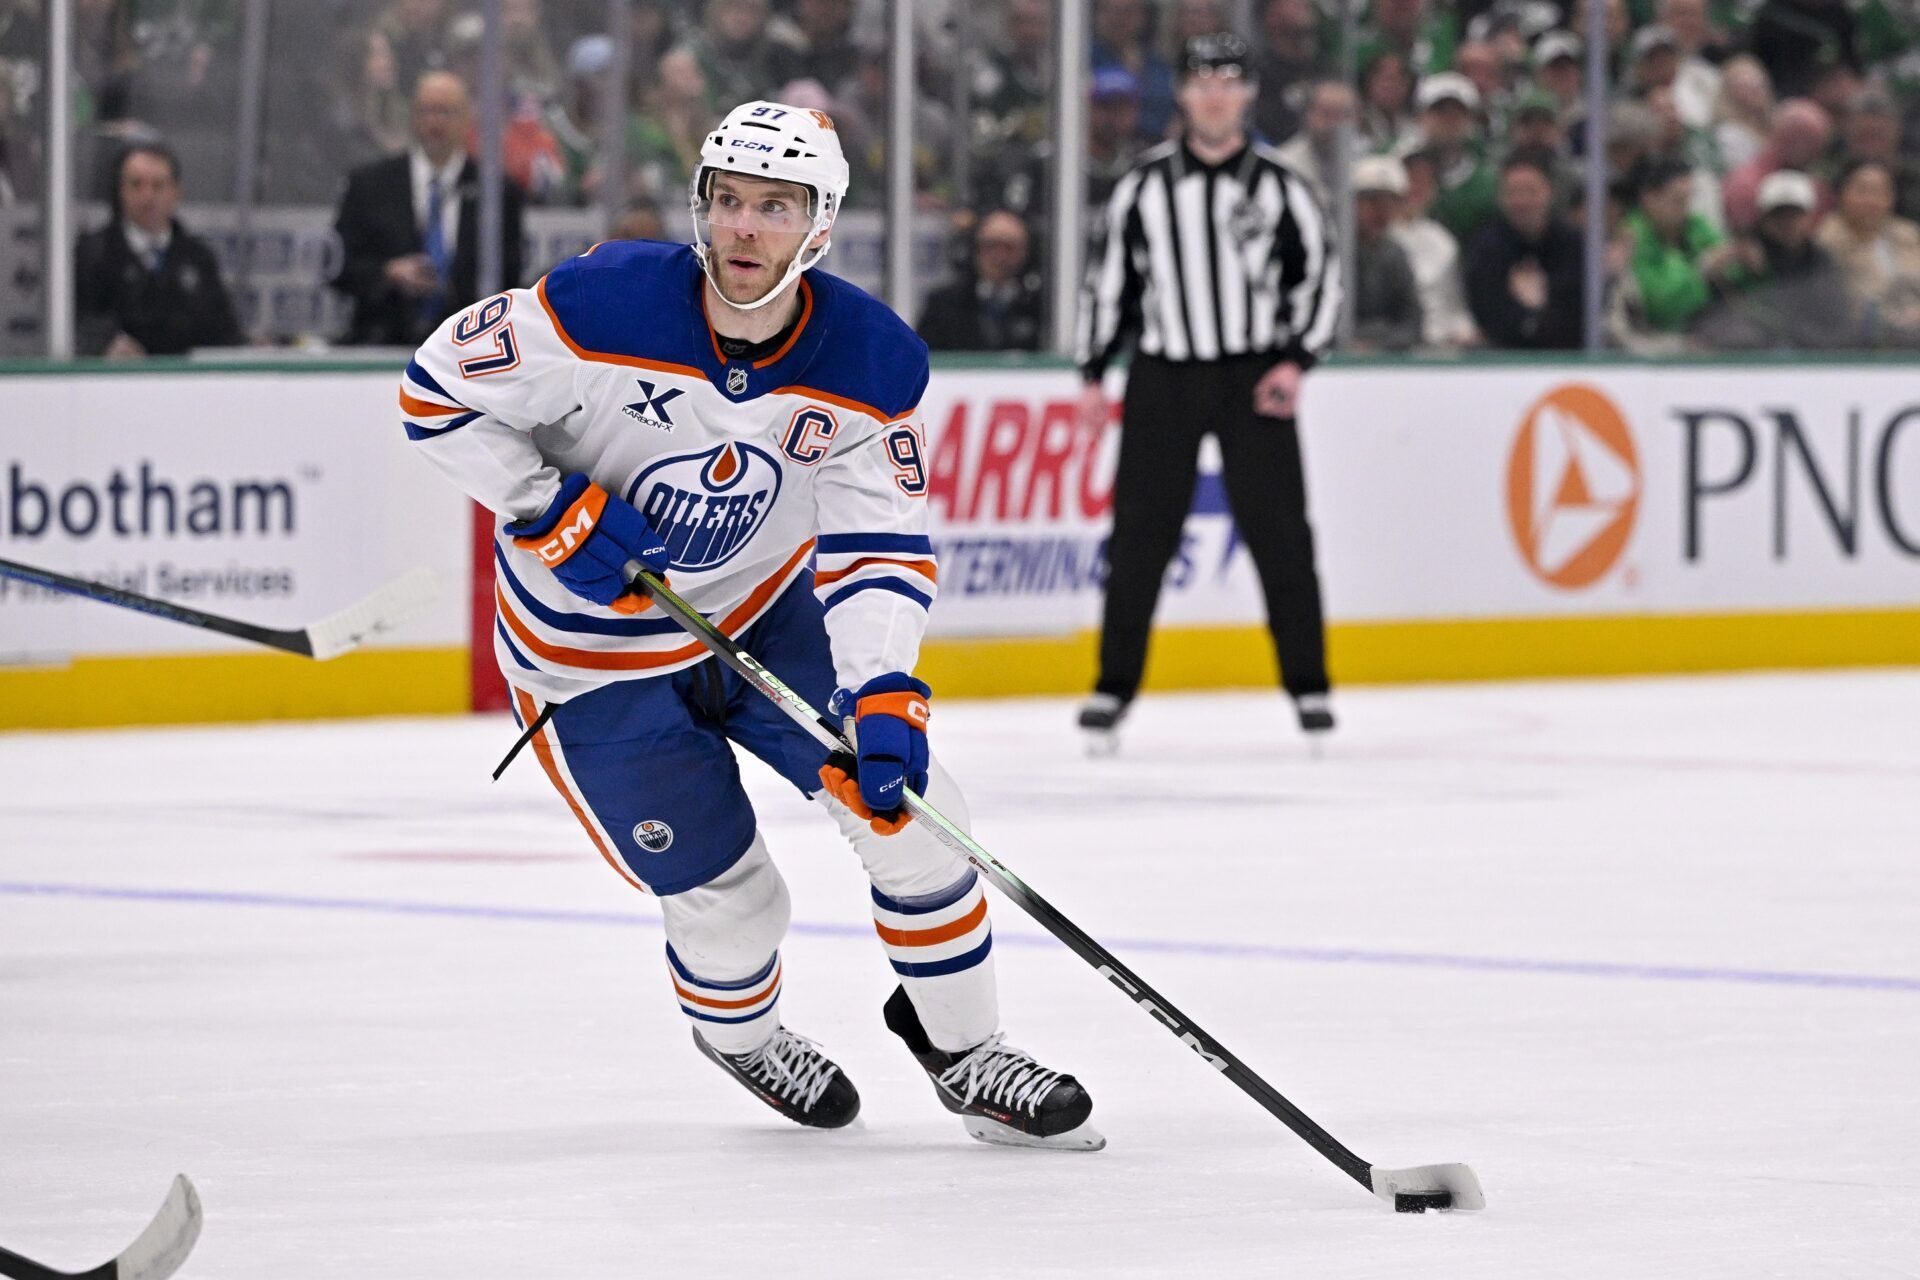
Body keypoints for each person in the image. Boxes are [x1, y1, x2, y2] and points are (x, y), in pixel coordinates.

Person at [398, 99, 1099, 1148]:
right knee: (733, 903)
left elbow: (875, 544)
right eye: (727, 200)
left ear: (819, 227)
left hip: (765, 620)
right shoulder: (602, 305)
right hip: (594, 662)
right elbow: (434, 391)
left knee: (915, 815)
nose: (742, 228)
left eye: (774, 207)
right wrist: (547, 504)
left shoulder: (868, 359)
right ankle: (741, 1034)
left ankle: (968, 1054)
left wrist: (881, 688)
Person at [1076, 32, 1341, 748]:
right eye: (1202, 83)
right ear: (1185, 94)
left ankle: (1309, 687)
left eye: (1229, 83)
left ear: (1248, 94)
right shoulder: (1143, 186)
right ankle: (1113, 688)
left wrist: (1295, 363)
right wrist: (1094, 372)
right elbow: (1109, 286)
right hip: (1165, 374)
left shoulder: (1284, 186)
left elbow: (1320, 279)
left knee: (1282, 536)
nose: (1216, 96)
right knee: (1139, 538)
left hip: (1254, 377)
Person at [332, 72, 527, 347]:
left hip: (466, 349)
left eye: (446, 112)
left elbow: (510, 274)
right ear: (412, 116)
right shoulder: (370, 184)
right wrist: (387, 273)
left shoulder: (497, 191)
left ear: (467, 117)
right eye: (426, 111)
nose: (435, 122)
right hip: (381, 340)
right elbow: (339, 266)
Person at [74, 141, 241, 357]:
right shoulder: (93, 254)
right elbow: (77, 322)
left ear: (175, 192)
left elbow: (224, 333)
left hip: (188, 384)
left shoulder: (198, 258)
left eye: (158, 186)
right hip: (116, 384)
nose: (147, 197)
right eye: (136, 185)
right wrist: (104, 342)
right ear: (120, 191)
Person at [1462, 147, 1584, 349]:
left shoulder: (1573, 243)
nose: (1523, 201)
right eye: (1514, 192)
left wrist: (1543, 298)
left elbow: (1579, 312)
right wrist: (1528, 316)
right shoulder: (1486, 247)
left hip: (1568, 354)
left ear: (1549, 192)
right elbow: (1489, 316)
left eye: (1531, 191)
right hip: (1505, 356)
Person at [1814, 158, 1920, 345]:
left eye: (1880, 192)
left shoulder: (1908, 235)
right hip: (1864, 340)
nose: (1871, 201)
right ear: (1842, 195)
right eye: (1862, 191)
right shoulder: (1827, 242)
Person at [916, 210, 1044, 352]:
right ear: (974, 248)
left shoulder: (1042, 306)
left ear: (1026, 252)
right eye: (991, 245)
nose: (1000, 256)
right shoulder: (942, 304)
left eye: (1010, 247)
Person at [1348, 155, 1423, 352]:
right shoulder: (1331, 251)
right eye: (1372, 201)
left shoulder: (1395, 254)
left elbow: (1412, 322)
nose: (1382, 211)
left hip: (1384, 356)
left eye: (1390, 202)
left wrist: (1378, 344)